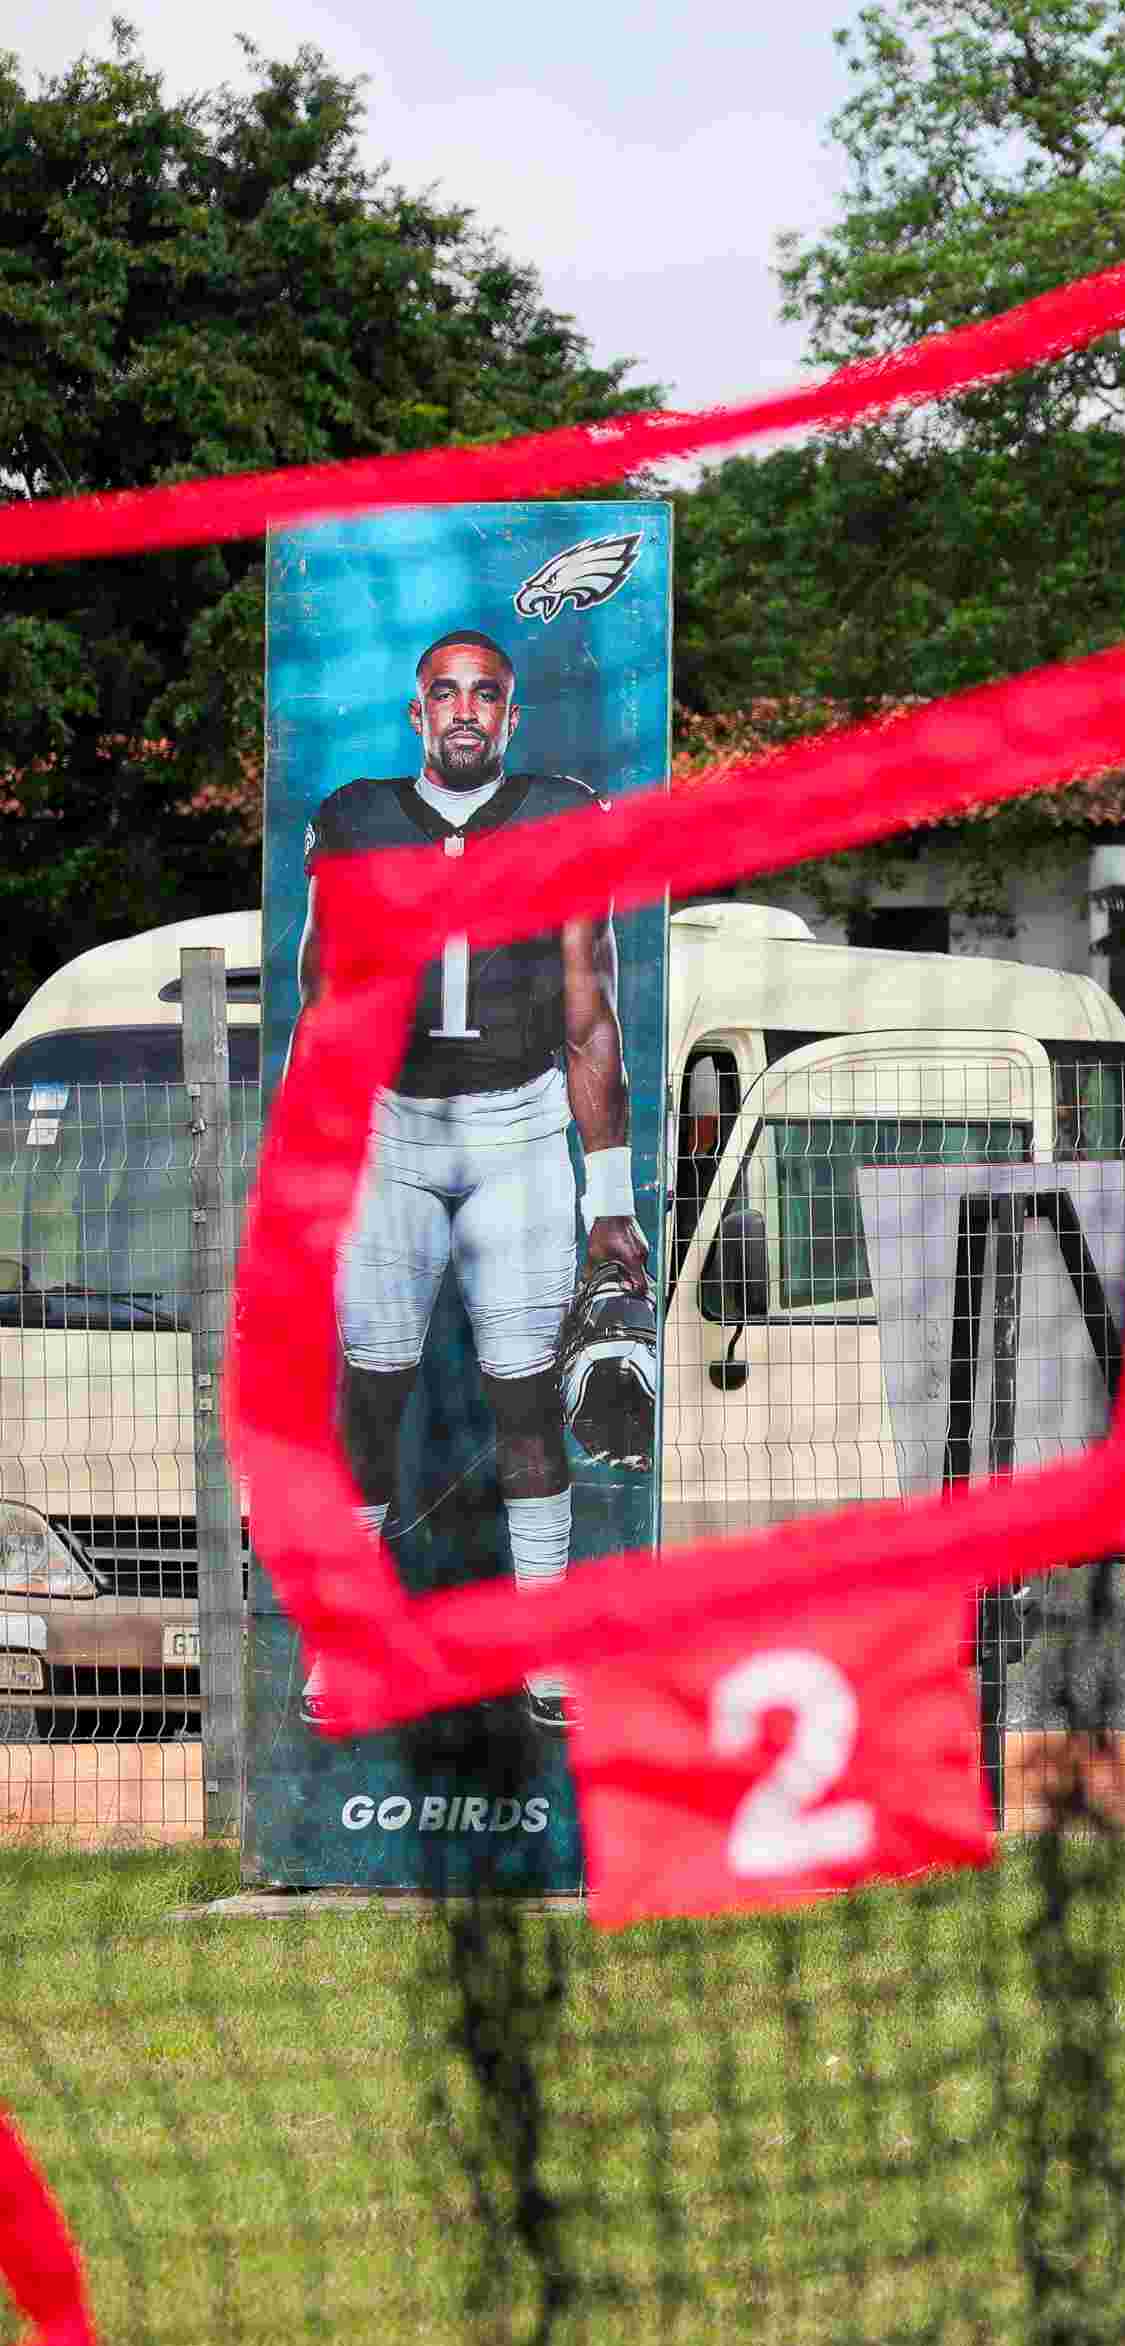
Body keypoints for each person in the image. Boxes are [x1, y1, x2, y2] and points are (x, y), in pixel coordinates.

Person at [300, 629, 645, 1732]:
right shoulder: (355, 820)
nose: (463, 711)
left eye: (484, 696)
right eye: (443, 693)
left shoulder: (557, 814)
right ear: (415, 713)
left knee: (526, 1394)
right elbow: (321, 1005)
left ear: (510, 717)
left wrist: (613, 1198)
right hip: (394, 1130)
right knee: (371, 1389)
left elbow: (590, 1013)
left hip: (514, 1127)